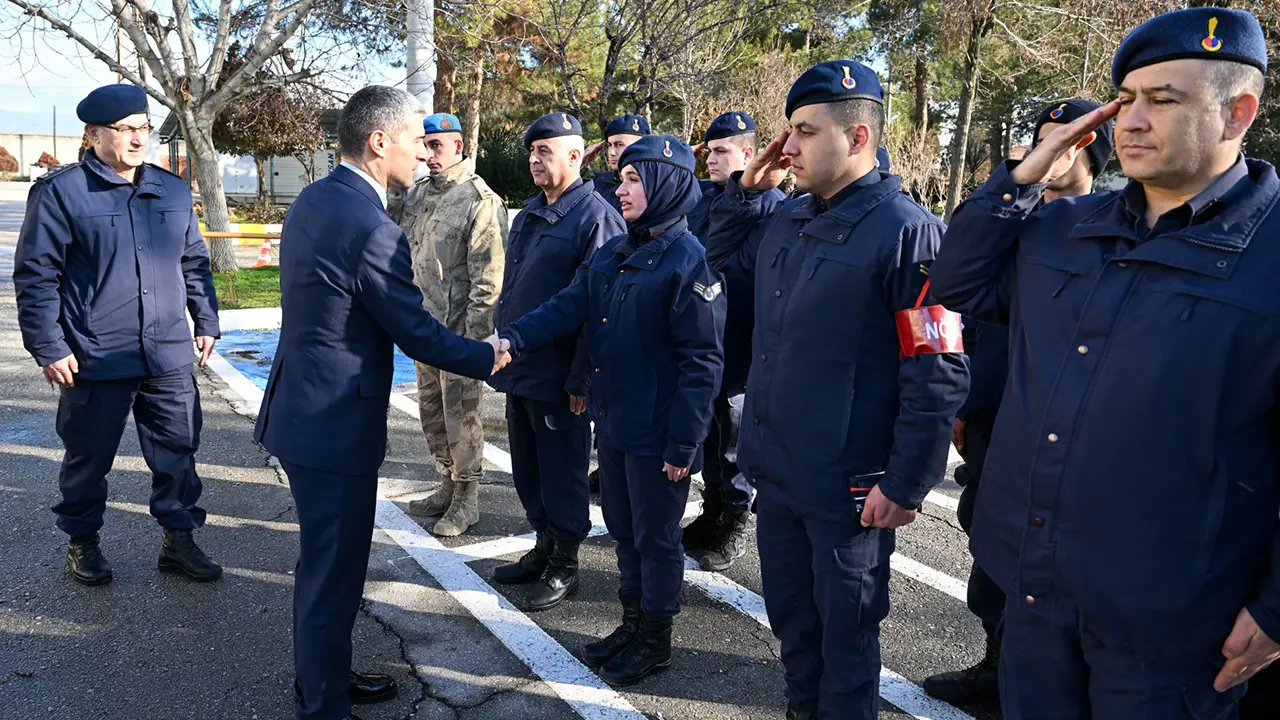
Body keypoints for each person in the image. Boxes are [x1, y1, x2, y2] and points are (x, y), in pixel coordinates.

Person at [931, 8, 1280, 718]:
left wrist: (1277, 606)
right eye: (1125, 100)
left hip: (1174, 626)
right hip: (1032, 596)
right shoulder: (1062, 228)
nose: (1131, 121)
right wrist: (1027, 171)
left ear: (1238, 113)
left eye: (1164, 99)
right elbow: (956, 281)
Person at [704, 61, 970, 719]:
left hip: (849, 484)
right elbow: (713, 261)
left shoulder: (911, 232)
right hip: (779, 471)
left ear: (857, 137)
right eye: (786, 132)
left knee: (846, 637)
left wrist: (908, 483)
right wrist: (745, 193)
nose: (786, 147)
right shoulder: (788, 219)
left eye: (802, 131)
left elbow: (936, 368)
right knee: (792, 623)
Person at [254, 86, 510, 720]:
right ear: (378, 143)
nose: (422, 155)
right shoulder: (371, 226)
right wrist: (486, 357)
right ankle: (322, 703)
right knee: (333, 570)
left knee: (328, 564)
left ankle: (324, 676)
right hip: (334, 422)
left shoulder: (316, 198)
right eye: (412, 141)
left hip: (304, 408)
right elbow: (414, 330)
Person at [500, 134, 725, 686]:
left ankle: (656, 638)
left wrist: (684, 444)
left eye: (632, 179)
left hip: (658, 434)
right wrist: (512, 339)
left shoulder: (688, 264)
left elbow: (702, 363)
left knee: (657, 538)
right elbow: (569, 305)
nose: (620, 188)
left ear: (666, 184)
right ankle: (631, 623)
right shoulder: (618, 250)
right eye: (621, 178)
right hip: (618, 423)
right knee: (625, 531)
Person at [922, 98, 1113, 706]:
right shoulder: (1019, 224)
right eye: (1043, 137)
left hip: (1064, 431)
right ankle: (997, 664)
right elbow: (965, 310)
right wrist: (963, 400)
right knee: (989, 542)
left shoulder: (1109, 227)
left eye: (1069, 138)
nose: (1052, 148)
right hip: (995, 416)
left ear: (1095, 153)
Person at [13, 83, 222, 587]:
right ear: (92, 134)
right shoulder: (62, 193)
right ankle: (82, 542)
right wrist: (49, 346)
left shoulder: (171, 190)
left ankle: (178, 539)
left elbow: (194, 262)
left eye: (143, 129)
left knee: (177, 451)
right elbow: (36, 276)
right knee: (88, 456)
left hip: (167, 351)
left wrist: (206, 319)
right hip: (94, 354)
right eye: (124, 130)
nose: (137, 139)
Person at [488, 113, 627, 611]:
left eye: (545, 151)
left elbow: (595, 306)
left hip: (560, 374)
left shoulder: (595, 217)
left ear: (575, 155)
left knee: (563, 470)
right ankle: (543, 546)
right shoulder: (529, 213)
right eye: (532, 151)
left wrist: (582, 376)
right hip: (521, 367)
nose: (534, 159)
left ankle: (565, 559)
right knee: (528, 468)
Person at [391, 112, 508, 537]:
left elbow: (488, 280)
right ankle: (445, 483)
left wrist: (477, 344)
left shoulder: (480, 200)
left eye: (437, 145)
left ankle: (467, 498)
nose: (427, 153)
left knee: (463, 417)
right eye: (424, 145)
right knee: (431, 413)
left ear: (459, 147)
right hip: (423, 329)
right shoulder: (418, 193)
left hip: (459, 334)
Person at [681, 111, 785, 572]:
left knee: (735, 439)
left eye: (721, 151)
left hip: (744, 342)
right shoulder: (707, 202)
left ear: (750, 154)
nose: (710, 160)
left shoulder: (779, 209)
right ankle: (713, 509)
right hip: (707, 340)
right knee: (709, 435)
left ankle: (736, 518)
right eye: (708, 151)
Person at [587, 114, 650, 215]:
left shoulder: (654, 185)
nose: (612, 152)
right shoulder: (600, 183)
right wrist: (580, 162)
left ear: (641, 147)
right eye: (609, 145)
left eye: (619, 145)